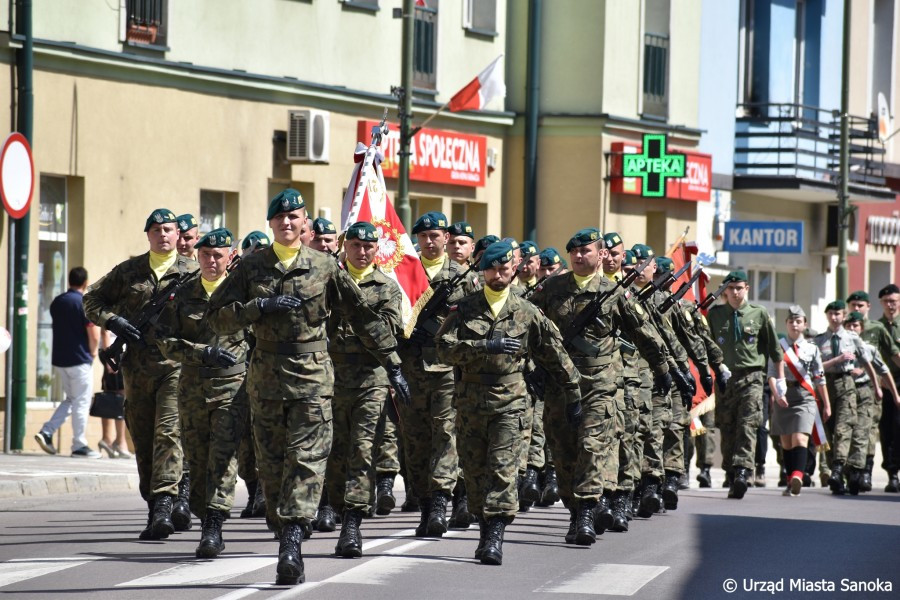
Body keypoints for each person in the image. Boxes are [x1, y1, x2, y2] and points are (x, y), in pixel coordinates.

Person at [206, 188, 411, 586]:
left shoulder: (325, 266)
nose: (287, 223)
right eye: (280, 218)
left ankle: (292, 544)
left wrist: (394, 364)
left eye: (295, 217)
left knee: (306, 461)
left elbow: (363, 316)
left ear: (305, 224)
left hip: (314, 378)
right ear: (271, 224)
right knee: (271, 465)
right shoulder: (250, 268)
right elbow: (216, 319)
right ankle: (284, 528)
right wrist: (258, 308)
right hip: (266, 380)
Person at [436, 241, 581, 565]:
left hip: (510, 403)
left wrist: (573, 390)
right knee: (474, 473)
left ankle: (493, 538)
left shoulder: (527, 312)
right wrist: (484, 346)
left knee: (502, 470)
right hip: (471, 402)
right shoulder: (464, 308)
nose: (499, 274)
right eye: (492, 269)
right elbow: (443, 350)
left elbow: (555, 354)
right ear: (484, 271)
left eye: (504, 268)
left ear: (512, 270)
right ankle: (484, 523)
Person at [530, 228, 670, 545]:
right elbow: (525, 322)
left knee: (592, 449)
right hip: (559, 385)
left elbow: (643, 332)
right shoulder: (552, 289)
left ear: (601, 254)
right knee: (563, 453)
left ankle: (585, 515)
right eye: (575, 252)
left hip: (599, 384)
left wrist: (662, 367)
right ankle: (574, 508)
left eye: (586, 251)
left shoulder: (614, 292)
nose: (580, 256)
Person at [84, 209, 198, 539]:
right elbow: (91, 298)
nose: (163, 234)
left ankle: (166, 501)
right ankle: (155, 506)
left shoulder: (193, 272)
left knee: (168, 432)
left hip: (177, 368)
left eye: (169, 229)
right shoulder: (129, 271)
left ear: (179, 235)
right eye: (157, 229)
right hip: (137, 369)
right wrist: (112, 320)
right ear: (147, 235)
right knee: (144, 439)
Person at [155, 227, 248, 558]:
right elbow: (164, 341)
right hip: (193, 387)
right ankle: (203, 510)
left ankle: (213, 525)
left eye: (218, 255)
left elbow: (261, 340)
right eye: (205, 254)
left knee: (223, 457)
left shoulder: (243, 294)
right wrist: (200, 352)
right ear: (197, 255)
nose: (211, 260)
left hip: (232, 388)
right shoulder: (182, 294)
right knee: (195, 459)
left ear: (230, 257)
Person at [324, 221, 403, 558]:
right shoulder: (328, 283)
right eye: (355, 245)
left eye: (368, 246)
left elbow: (386, 332)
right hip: (331, 376)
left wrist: (353, 300)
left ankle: (352, 524)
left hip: (370, 378)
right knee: (332, 449)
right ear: (346, 247)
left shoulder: (387, 288)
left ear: (376, 250)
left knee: (362, 449)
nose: (362, 251)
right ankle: (333, 503)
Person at [401, 211, 479, 539]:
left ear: (446, 238)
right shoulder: (404, 273)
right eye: (424, 237)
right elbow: (388, 313)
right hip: (411, 368)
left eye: (436, 235)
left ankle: (440, 502)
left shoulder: (464, 277)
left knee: (446, 435)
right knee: (416, 440)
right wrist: (405, 333)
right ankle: (423, 503)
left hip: (448, 370)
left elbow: (475, 325)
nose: (430, 242)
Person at [706, 270, 785, 499]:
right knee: (727, 428)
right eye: (731, 288)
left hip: (752, 378)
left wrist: (780, 382)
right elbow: (706, 347)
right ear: (725, 290)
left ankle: (742, 470)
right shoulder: (715, 315)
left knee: (748, 425)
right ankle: (731, 473)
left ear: (747, 288)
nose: (735, 292)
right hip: (725, 378)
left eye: (739, 287)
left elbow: (775, 351)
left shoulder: (758, 314)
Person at [34, 267, 101, 458]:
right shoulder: (83, 302)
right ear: (85, 282)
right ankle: (79, 445)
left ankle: (47, 432)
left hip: (61, 360)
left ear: (69, 280)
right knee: (81, 401)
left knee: (72, 399)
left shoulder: (58, 301)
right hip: (80, 360)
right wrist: (93, 353)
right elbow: (93, 333)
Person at [814, 300, 879, 495]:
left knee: (844, 428)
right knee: (830, 430)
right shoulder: (818, 341)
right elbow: (816, 368)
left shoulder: (852, 338)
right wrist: (836, 360)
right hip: (826, 387)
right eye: (831, 314)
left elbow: (868, 363)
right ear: (827, 316)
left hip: (846, 384)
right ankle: (839, 477)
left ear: (843, 316)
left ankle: (837, 469)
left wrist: (876, 386)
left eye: (838, 314)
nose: (835, 318)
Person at [768, 306, 830, 497]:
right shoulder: (778, 347)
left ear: (805, 324)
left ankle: (797, 475)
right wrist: (777, 395)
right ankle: (790, 480)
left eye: (798, 321)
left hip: (805, 396)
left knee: (800, 438)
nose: (794, 324)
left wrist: (826, 404)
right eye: (791, 321)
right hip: (784, 395)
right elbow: (771, 374)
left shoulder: (812, 349)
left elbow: (820, 378)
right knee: (786, 441)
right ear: (786, 324)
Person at [846, 290, 900, 489]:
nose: (857, 309)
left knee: (873, 429)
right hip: (865, 387)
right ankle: (858, 472)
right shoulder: (845, 330)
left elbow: (893, 356)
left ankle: (867, 472)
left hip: (878, 386)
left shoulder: (876, 329)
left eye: (861, 305)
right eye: (854, 305)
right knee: (880, 430)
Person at [877, 284, 900, 492]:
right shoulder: (877, 327)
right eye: (886, 301)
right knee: (888, 430)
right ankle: (892, 473)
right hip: (885, 385)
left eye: (893, 301)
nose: (890, 305)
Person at [98, 327, 133, 459]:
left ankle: (108, 439)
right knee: (119, 398)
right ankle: (119, 441)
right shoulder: (114, 308)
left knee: (112, 396)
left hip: (115, 354)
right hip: (114, 355)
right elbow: (104, 331)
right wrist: (110, 359)